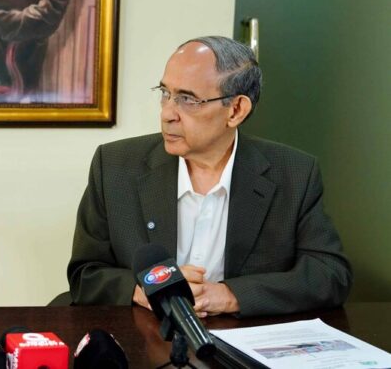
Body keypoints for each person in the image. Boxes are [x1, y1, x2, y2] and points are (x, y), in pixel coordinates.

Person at [67, 36, 352, 317]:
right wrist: (144, 290)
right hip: (144, 332)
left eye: (187, 99)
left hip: (240, 336)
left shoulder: (293, 173)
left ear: (236, 110)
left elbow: (330, 275)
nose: (167, 113)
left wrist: (231, 295)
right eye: (165, 93)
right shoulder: (115, 166)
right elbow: (85, 273)